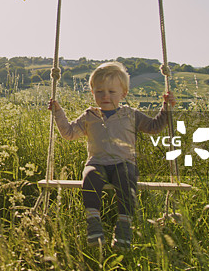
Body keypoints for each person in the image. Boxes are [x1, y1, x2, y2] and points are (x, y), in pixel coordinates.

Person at [47, 61, 175, 249]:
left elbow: (154, 127)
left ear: (123, 94)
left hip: (124, 162)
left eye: (111, 92)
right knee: (89, 177)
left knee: (126, 179)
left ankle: (124, 226)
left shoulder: (131, 115)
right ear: (93, 93)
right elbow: (68, 133)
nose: (105, 96)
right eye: (100, 91)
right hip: (97, 162)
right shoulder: (90, 116)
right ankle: (94, 224)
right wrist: (58, 112)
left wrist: (166, 107)